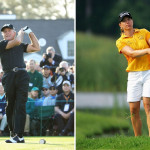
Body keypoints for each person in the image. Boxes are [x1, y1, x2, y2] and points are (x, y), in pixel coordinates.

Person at [0, 24, 40, 143]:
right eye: (4, 32)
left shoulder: (20, 45)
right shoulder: (2, 44)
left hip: (22, 75)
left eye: (9, 31)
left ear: (13, 32)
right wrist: (22, 32)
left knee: (21, 105)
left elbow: (36, 47)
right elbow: (17, 40)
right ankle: (13, 134)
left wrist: (30, 32)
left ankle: (20, 136)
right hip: (8, 75)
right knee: (10, 106)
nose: (6, 33)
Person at [116, 11, 150, 136]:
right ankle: (138, 139)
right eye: (124, 20)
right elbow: (131, 53)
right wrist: (147, 50)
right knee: (133, 110)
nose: (127, 22)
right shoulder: (120, 41)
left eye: (129, 19)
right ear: (120, 25)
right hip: (134, 75)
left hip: (149, 71)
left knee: (148, 105)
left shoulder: (144, 32)